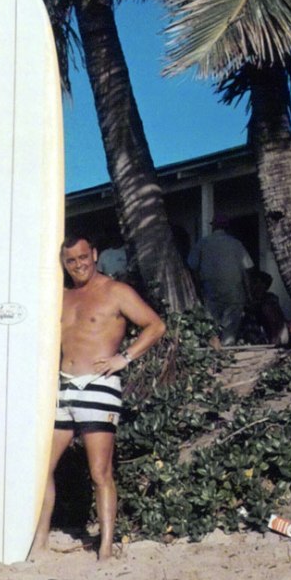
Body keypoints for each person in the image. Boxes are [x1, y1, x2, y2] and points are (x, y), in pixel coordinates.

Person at [31, 234, 166, 561]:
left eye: (83, 258)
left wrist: (125, 357)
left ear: (94, 254)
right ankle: (39, 541)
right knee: (40, 468)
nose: (78, 265)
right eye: (71, 261)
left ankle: (105, 547)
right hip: (62, 386)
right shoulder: (61, 296)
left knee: (99, 472)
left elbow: (155, 325)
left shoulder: (115, 291)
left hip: (99, 385)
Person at [187, 214, 254, 345]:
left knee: (212, 325)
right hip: (233, 290)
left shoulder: (203, 243)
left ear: (213, 227)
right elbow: (246, 270)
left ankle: (215, 352)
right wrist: (249, 293)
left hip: (210, 289)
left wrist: (197, 287)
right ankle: (227, 350)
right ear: (227, 228)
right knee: (230, 328)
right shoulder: (236, 244)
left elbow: (192, 266)